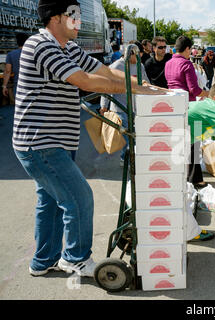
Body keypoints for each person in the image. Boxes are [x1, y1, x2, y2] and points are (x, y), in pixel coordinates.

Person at [14, 0, 167, 278]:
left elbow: (104, 72)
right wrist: (136, 93)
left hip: (55, 141)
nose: (79, 22)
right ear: (56, 18)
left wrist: (143, 86)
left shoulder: (68, 47)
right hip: (40, 142)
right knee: (79, 197)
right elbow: (86, 81)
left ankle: (43, 260)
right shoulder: (41, 45)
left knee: (50, 201)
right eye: (74, 16)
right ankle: (76, 259)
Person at [100, 40, 150, 166]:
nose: (139, 58)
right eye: (137, 56)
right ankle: (126, 158)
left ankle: (129, 157)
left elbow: (146, 82)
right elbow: (106, 87)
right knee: (128, 136)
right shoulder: (116, 66)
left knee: (135, 136)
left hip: (136, 107)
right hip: (120, 107)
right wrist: (104, 106)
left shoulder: (140, 66)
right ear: (130, 53)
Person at [165, 36, 209, 102]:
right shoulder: (186, 64)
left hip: (172, 102)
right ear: (187, 48)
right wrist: (209, 93)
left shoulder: (168, 63)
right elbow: (194, 90)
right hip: (186, 104)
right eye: (190, 49)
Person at [2, 32, 28, 99]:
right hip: (33, 84)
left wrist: (4, 86)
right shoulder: (33, 53)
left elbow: (8, 71)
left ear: (17, 42)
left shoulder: (11, 54)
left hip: (18, 85)